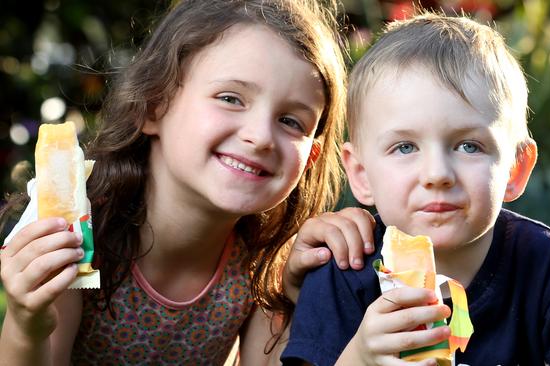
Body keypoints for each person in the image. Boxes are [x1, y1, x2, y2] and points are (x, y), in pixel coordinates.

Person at [0, 0, 376, 364]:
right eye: (230, 98)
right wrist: (26, 323)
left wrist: (299, 299)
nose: (261, 136)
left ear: (310, 158)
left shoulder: (263, 263)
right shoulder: (79, 238)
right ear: (153, 105)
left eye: (291, 121)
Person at [281, 11, 550, 366]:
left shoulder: (547, 266)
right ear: (360, 173)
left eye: (469, 146)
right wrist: (361, 357)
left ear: (515, 169)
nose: (437, 174)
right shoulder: (344, 270)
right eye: (405, 147)